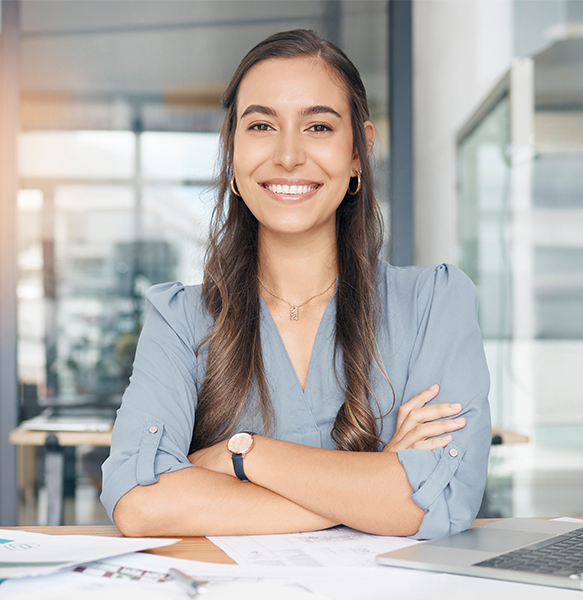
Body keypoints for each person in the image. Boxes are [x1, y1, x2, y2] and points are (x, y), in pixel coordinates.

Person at [101, 29, 491, 540]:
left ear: (359, 151)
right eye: (261, 125)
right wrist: (371, 490)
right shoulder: (180, 320)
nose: (288, 156)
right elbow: (140, 505)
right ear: (233, 153)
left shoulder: (435, 304)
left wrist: (240, 457)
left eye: (319, 127)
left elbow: (440, 501)